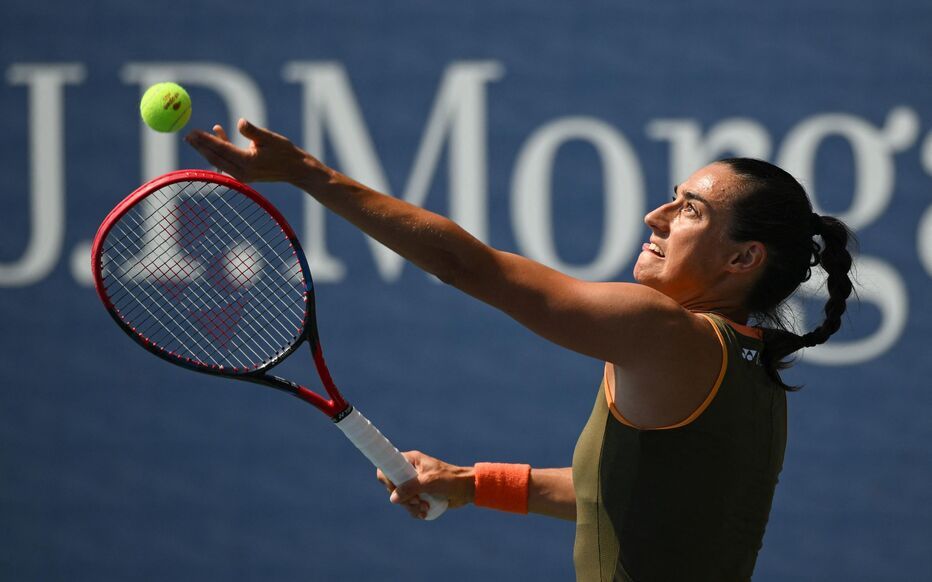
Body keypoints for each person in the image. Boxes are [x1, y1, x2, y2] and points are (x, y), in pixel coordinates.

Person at [187, 119, 855, 582]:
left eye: (689, 211)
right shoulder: (752, 364)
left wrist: (310, 175)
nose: (656, 217)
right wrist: (472, 484)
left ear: (742, 258)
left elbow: (468, 267)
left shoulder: (666, 331)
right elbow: (619, 497)